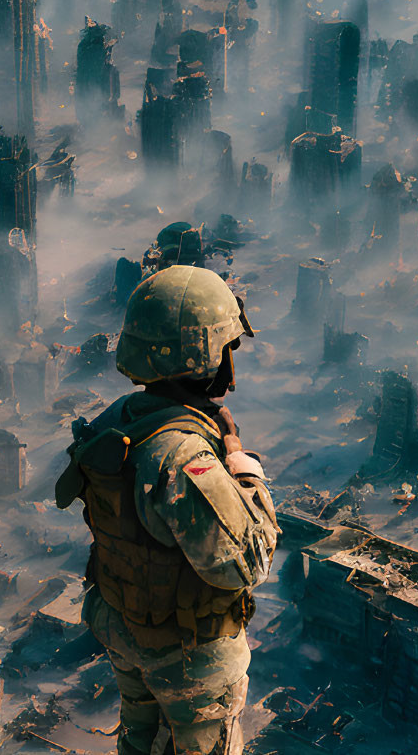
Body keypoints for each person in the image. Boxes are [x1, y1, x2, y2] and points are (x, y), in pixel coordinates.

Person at [55, 264, 279, 755]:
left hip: (127, 631)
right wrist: (240, 461)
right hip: (188, 655)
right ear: (200, 356)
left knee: (138, 743)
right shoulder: (182, 454)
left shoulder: (122, 420)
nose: (230, 364)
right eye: (226, 348)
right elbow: (249, 560)